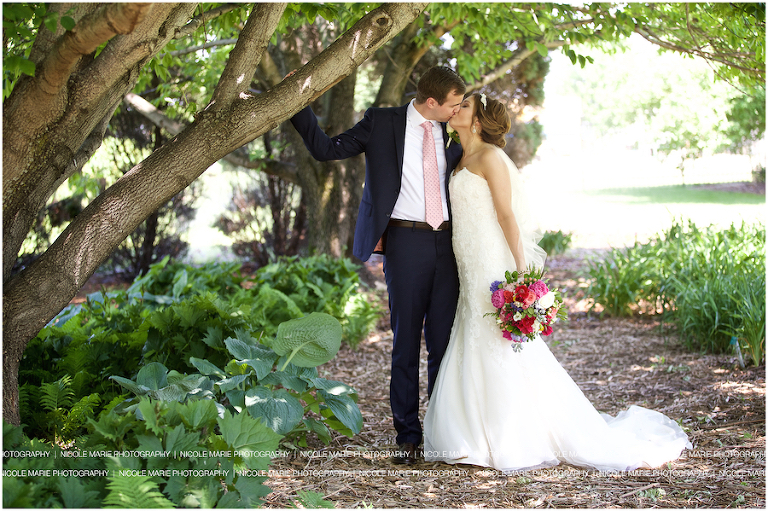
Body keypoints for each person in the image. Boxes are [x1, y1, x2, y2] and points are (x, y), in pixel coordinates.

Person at [423, 93, 691, 472]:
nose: (456, 110)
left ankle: (509, 434)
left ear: (478, 121)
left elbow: (507, 217)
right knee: (471, 333)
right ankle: (471, 434)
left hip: (492, 264)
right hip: (466, 263)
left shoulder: (491, 158)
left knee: (499, 342)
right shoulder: (460, 157)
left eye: (464, 106)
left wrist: (523, 280)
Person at [290, 66, 466, 465]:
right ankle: (408, 437)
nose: (458, 111)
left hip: (450, 243)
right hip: (405, 243)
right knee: (405, 344)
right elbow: (326, 150)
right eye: (452, 104)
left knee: (444, 344)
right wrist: (295, 104)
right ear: (432, 101)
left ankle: (440, 432)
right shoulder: (382, 121)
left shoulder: (455, 130)